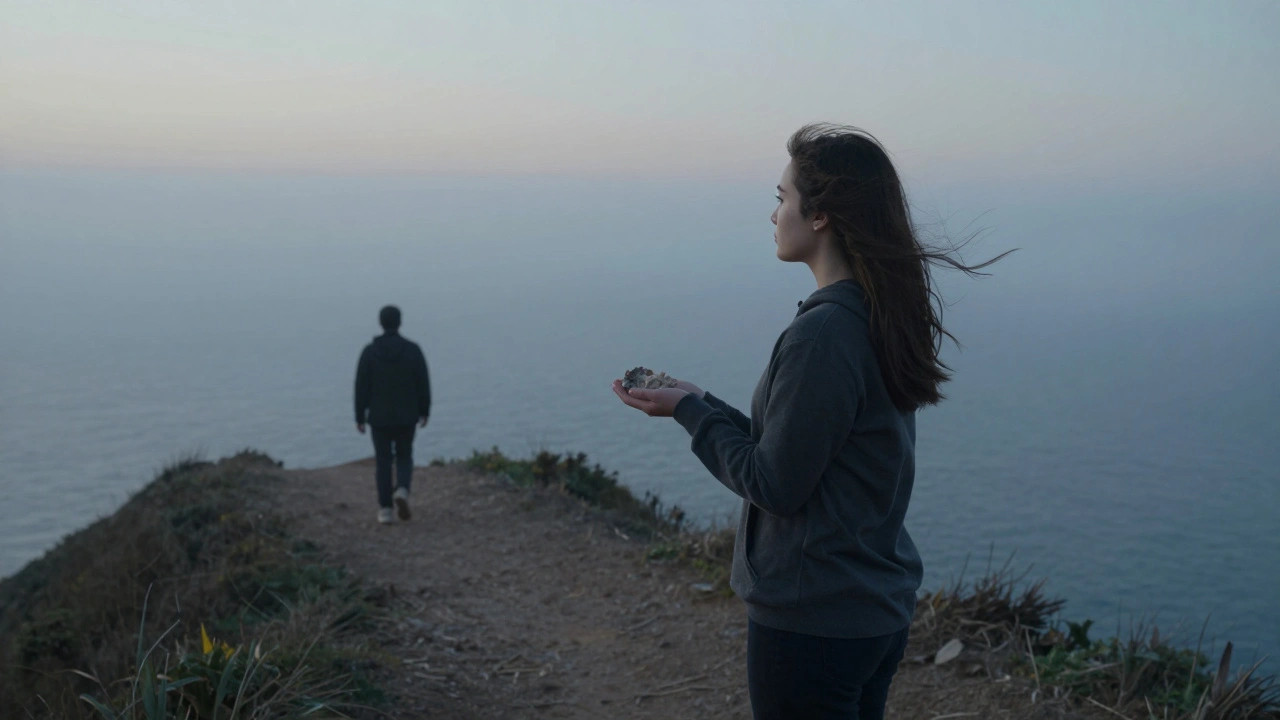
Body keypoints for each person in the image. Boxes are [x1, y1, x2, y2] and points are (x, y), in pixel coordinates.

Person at [612, 124, 1006, 719]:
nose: (773, 215)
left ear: (819, 215)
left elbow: (775, 483)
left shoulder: (823, 334)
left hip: (814, 620)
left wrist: (689, 414)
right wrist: (697, 400)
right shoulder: (875, 317)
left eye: (781, 198)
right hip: (867, 611)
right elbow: (798, 448)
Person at [354, 305, 431, 525]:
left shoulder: (369, 352)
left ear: (381, 322)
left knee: (383, 460)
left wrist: (359, 416)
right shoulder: (413, 350)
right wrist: (425, 410)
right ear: (400, 322)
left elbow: (361, 386)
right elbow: (422, 382)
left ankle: (385, 509)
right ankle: (403, 490)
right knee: (405, 455)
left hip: (379, 417)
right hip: (407, 415)